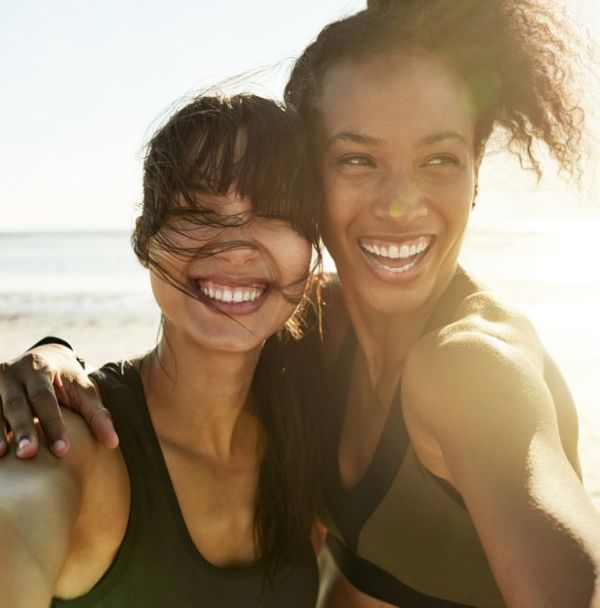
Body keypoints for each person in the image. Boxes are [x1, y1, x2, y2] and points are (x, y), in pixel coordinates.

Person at [3, 1, 600, 606]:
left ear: (476, 175)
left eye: (439, 159)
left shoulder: (470, 365)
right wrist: (49, 353)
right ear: (312, 187)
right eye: (358, 159)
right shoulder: (313, 339)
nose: (401, 202)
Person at [0, 93, 326, 607]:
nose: (237, 245)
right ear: (144, 239)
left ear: (311, 255)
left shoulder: (312, 432)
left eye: (277, 211)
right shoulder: (74, 447)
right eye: (199, 209)